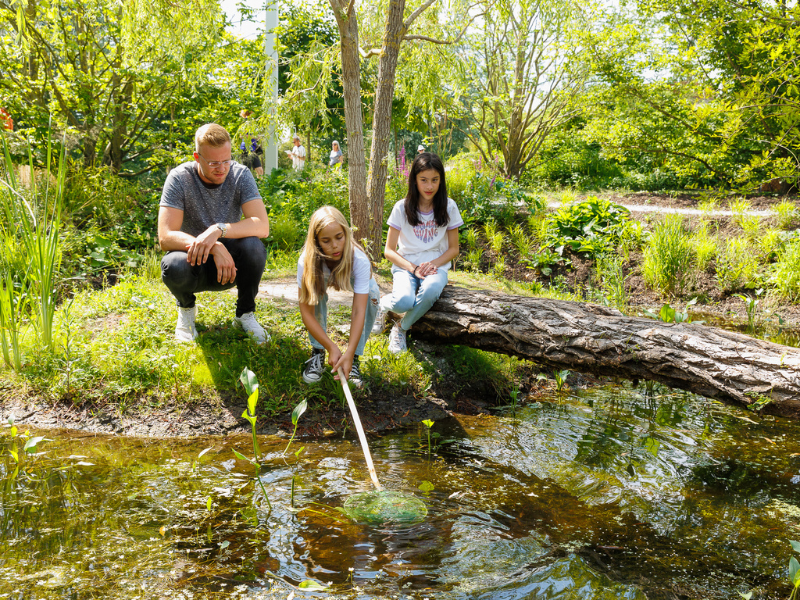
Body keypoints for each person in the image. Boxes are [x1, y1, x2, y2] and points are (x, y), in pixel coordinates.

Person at [158, 123, 271, 344]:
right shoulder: (179, 178)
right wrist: (213, 246)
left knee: (254, 248)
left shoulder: (240, 174)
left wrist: (218, 229)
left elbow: (261, 226)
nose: (222, 168)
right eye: (213, 163)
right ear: (197, 157)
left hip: (230, 267)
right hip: (193, 262)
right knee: (174, 264)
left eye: (226, 160)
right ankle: (186, 311)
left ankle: (245, 314)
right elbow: (166, 236)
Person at [373, 152, 463, 354]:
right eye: (423, 180)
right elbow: (389, 250)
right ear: (414, 180)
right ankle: (381, 305)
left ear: (441, 180)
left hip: (435, 268)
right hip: (406, 266)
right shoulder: (401, 208)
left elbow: (454, 248)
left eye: (434, 180)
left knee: (431, 291)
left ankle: (400, 328)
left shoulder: (449, 206)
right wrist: (413, 268)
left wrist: (433, 264)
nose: (429, 186)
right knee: (404, 301)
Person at [297, 206, 380, 387]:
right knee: (314, 295)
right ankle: (318, 351)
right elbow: (307, 313)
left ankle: (354, 357)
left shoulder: (358, 260)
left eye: (339, 238)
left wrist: (348, 351)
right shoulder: (306, 263)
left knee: (372, 297)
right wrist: (331, 346)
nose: (334, 245)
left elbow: (359, 310)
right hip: (318, 271)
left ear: (346, 234)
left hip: (350, 271)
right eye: (326, 240)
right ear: (316, 241)